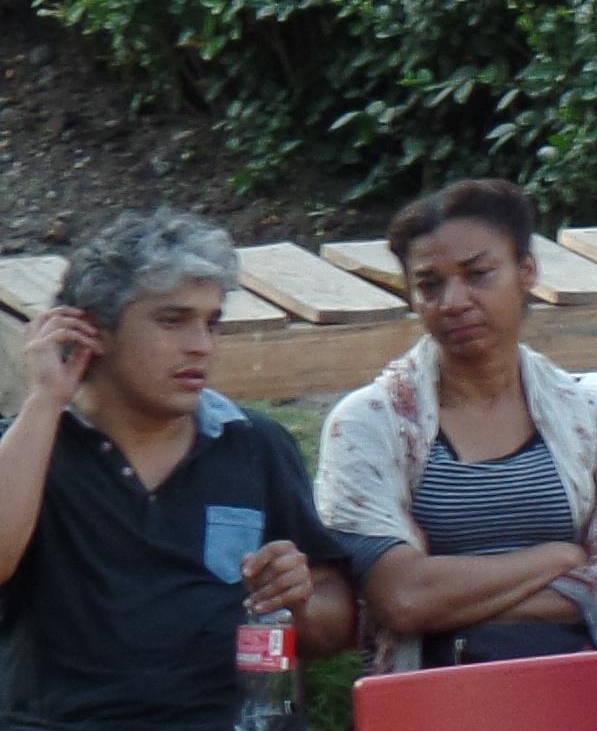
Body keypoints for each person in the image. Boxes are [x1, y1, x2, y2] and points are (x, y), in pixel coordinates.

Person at [314, 178, 597, 731]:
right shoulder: (368, 425)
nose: (454, 302)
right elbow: (404, 600)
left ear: (526, 272)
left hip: (578, 647)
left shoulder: (588, 415)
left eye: (478, 274)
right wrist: (557, 557)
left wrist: (459, 593)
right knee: (498, 658)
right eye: (430, 285)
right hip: (448, 659)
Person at [0, 206, 367, 726]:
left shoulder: (254, 444)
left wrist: (298, 597)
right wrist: (44, 401)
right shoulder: (26, 448)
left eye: (210, 323)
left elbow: (336, 631)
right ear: (92, 329)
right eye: (172, 320)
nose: (200, 345)